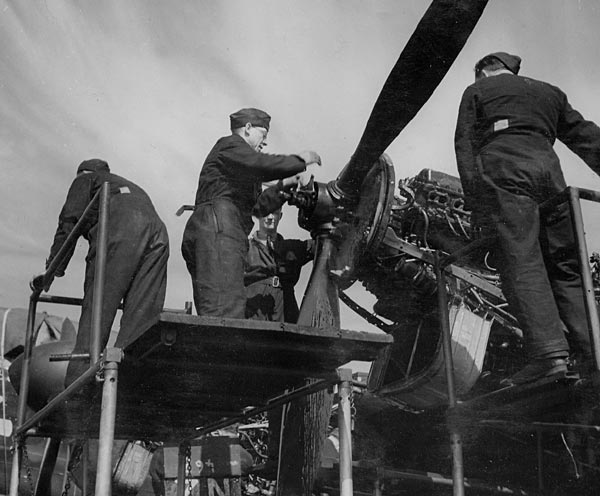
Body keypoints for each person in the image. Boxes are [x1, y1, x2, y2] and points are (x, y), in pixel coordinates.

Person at [454, 52, 600, 385]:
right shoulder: (549, 92)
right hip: (552, 179)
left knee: (522, 262)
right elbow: (586, 136)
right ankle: (595, 352)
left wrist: (477, 207)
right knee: (567, 268)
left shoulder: (476, 92)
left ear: (483, 72)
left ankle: (549, 356)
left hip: (506, 177)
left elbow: (464, 147)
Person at [33, 159, 169, 387]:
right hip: (159, 234)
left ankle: (76, 391)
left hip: (121, 229)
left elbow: (69, 220)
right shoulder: (126, 186)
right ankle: (127, 386)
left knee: (97, 312)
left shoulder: (86, 179)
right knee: (140, 321)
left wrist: (51, 271)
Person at [181, 107, 321, 318]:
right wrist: (298, 162)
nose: (264, 143)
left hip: (224, 233)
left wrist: (287, 185)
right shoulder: (230, 145)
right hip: (218, 230)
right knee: (224, 312)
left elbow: (260, 208)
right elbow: (260, 164)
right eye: (263, 135)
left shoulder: (239, 166)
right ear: (247, 128)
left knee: (228, 308)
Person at [245, 204, 314, 323]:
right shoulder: (245, 248)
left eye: (275, 213)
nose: (270, 217)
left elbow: (321, 244)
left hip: (286, 314)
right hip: (254, 315)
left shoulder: (293, 248)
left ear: (280, 216)